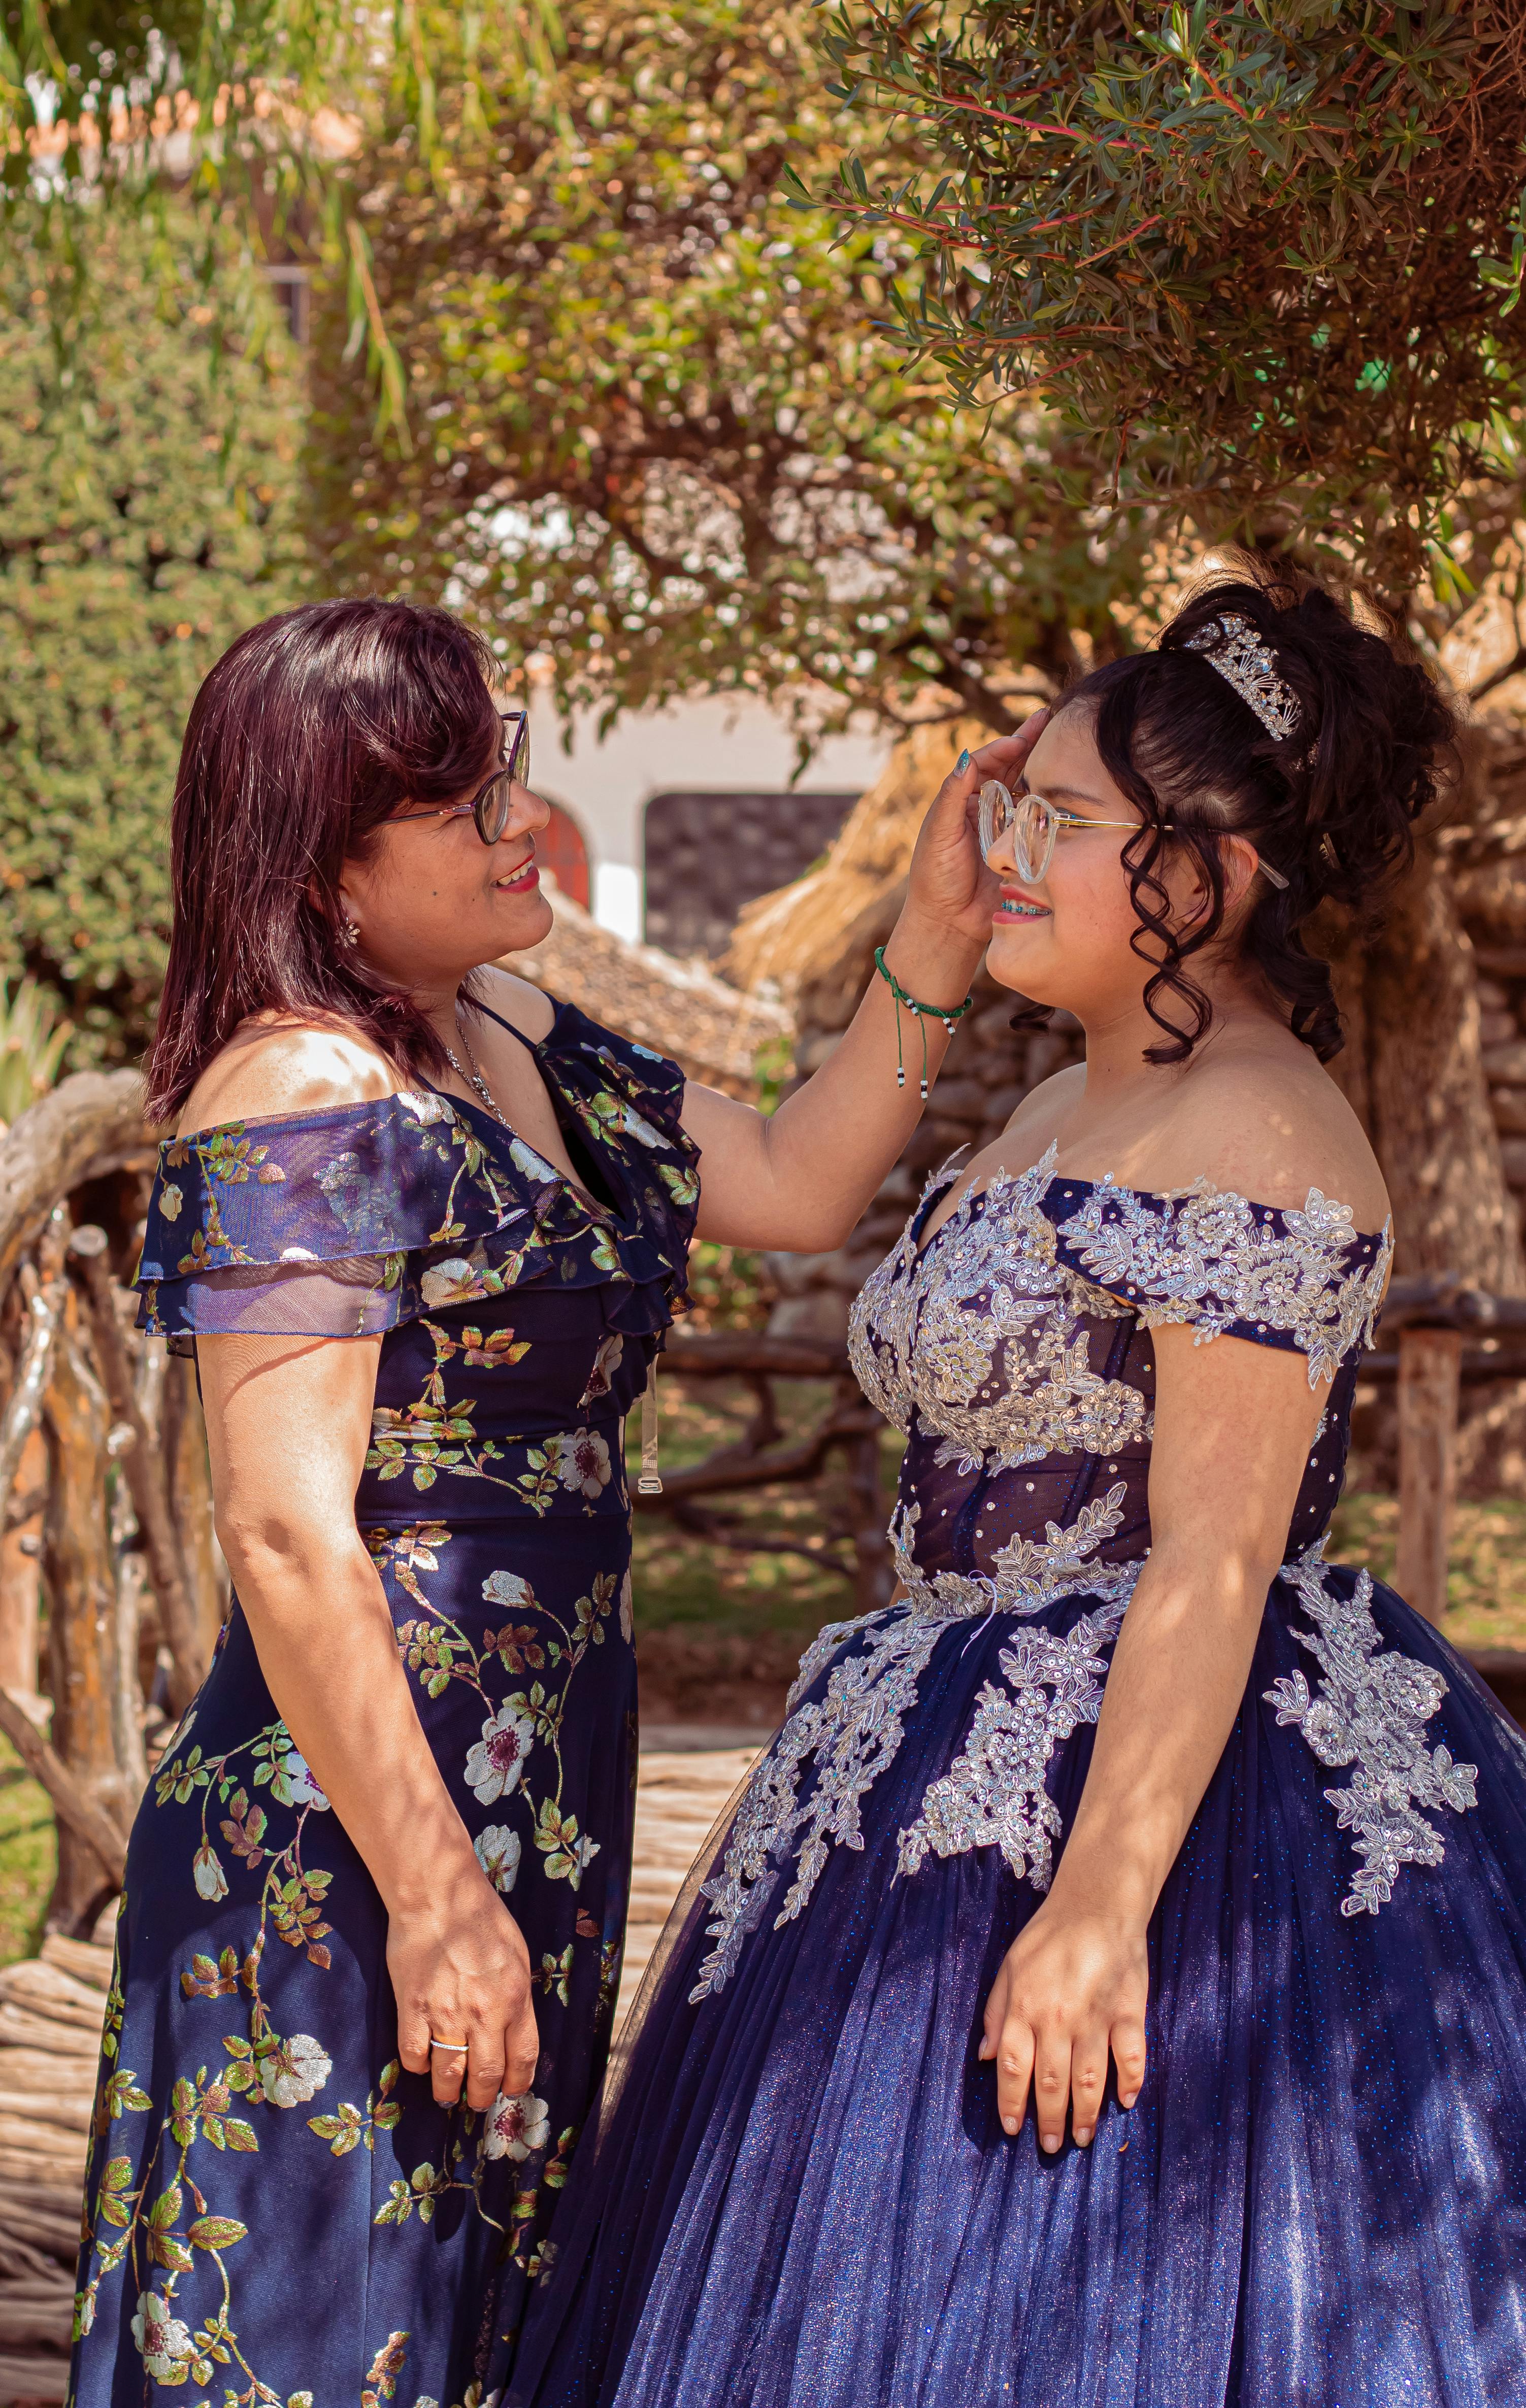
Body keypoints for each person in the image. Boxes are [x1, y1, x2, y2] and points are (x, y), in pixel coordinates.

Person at [503, 571, 1526, 2408]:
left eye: (1061, 822)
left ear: (1214, 873)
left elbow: (1213, 1565)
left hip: (1161, 1808)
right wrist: (924, 946)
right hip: (918, 1756)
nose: (1008, 851)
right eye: (1012, 803)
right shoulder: (1055, 1103)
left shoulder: (1260, 1135)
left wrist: (1102, 1912)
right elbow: (805, 1182)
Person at [68, 598, 1026, 2404]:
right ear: (325, 872)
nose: (524, 817)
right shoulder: (299, 1088)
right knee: (315, 2324)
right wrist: (433, 1896)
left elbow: (801, 1184)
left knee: (481, 2324)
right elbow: (283, 1533)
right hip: (358, 1825)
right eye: (461, 796)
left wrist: (932, 941)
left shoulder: (503, 1023)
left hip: (538, 1787)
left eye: (503, 762)